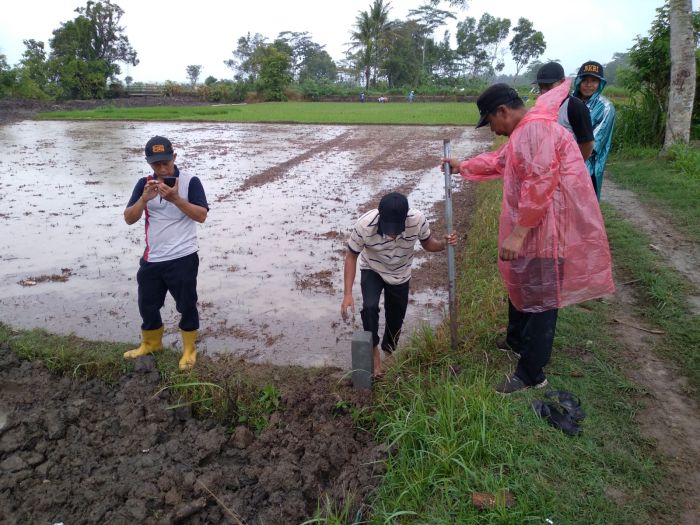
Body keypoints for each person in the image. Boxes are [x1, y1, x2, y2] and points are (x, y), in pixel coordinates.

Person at [444, 82, 614, 394]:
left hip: (547, 230)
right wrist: (463, 166)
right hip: (535, 227)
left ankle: (532, 373)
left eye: (491, 122)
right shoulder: (525, 131)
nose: (492, 130)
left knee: (541, 299)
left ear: (502, 111)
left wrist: (518, 235)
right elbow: (499, 161)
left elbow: (540, 184)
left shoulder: (536, 131)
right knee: (524, 284)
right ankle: (516, 340)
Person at [341, 192, 457, 377]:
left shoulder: (417, 220)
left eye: (397, 229)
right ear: (380, 217)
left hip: (400, 273)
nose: (392, 235)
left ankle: (389, 351)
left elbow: (428, 244)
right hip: (373, 268)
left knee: (395, 318)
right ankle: (374, 353)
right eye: (388, 229)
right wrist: (347, 294)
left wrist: (444, 243)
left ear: (405, 219)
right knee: (369, 308)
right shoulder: (364, 225)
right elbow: (351, 256)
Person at [123, 136, 209, 370]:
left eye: (165, 162)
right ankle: (151, 344)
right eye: (155, 163)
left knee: (186, 304)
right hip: (153, 259)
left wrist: (175, 198)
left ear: (174, 157)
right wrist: (143, 199)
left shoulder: (191, 181)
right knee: (147, 303)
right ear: (149, 163)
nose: (161, 168)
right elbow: (129, 218)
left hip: (183, 257)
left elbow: (201, 215)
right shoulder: (144, 184)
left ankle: (189, 350)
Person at [573, 61, 616, 200]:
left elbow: (595, 142)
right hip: (561, 163)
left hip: (587, 166)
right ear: (578, 81)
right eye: (584, 80)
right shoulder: (568, 102)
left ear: (600, 83)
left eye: (594, 81)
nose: (588, 85)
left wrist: (570, 159)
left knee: (584, 208)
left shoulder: (606, 107)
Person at [535, 62, 594, 161]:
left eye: (548, 86)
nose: (544, 92)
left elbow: (587, 144)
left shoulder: (575, 106)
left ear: (562, 82)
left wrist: (575, 165)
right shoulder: (542, 107)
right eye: (541, 87)